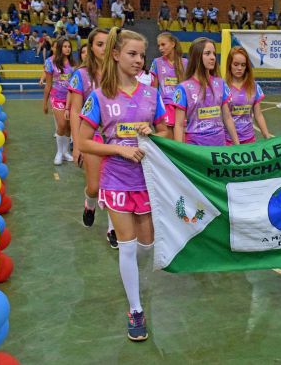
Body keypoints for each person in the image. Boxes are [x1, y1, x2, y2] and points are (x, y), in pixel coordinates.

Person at [78, 28, 168, 341]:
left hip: (147, 180)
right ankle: (136, 309)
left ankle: (133, 282)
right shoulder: (99, 97)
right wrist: (119, 148)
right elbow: (83, 142)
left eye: (142, 55)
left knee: (147, 246)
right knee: (127, 246)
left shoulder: (151, 95)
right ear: (115, 55)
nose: (139, 60)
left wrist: (152, 132)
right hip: (115, 178)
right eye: (132, 54)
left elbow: (165, 132)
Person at [66, 28, 118, 245]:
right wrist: (77, 145)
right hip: (92, 138)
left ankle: (113, 229)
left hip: (116, 137)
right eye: (99, 44)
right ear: (90, 47)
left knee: (115, 185)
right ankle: (90, 203)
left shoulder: (118, 72)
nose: (103, 49)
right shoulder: (81, 75)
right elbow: (76, 111)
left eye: (108, 44)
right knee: (95, 187)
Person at [172, 37, 239, 146]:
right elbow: (179, 125)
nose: (213, 57)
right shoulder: (183, 88)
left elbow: (227, 118)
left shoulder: (221, 84)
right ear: (196, 56)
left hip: (219, 147)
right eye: (207, 53)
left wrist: (237, 145)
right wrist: (179, 152)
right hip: (196, 148)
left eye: (213, 53)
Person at [225, 46, 271, 144]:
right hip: (228, 141)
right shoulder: (223, 87)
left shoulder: (254, 86)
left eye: (243, 65)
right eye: (236, 64)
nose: (239, 68)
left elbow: (258, 115)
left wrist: (267, 136)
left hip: (249, 140)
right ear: (230, 65)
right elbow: (225, 117)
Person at [43, 37, 76, 165]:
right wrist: (44, 103)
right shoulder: (50, 62)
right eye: (65, 46)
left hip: (71, 99)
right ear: (59, 48)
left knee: (69, 127)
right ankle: (58, 152)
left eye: (69, 47)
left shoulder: (73, 64)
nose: (67, 49)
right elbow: (48, 84)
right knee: (61, 125)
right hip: (56, 98)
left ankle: (65, 152)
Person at [150, 32, 188, 138]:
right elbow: (154, 87)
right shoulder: (156, 62)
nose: (160, 48)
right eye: (159, 46)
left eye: (163, 44)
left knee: (180, 142)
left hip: (180, 106)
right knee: (169, 141)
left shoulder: (185, 63)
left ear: (172, 44)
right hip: (165, 105)